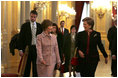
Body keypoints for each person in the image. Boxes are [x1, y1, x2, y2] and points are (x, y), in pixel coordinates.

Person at [18, 10, 42, 77]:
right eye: (31, 17)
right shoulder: (24, 26)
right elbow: (20, 38)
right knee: (26, 67)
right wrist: (20, 49)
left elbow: (42, 39)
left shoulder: (39, 26)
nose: (33, 18)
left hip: (36, 49)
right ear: (30, 16)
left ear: (36, 17)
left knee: (36, 67)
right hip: (27, 49)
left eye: (34, 17)